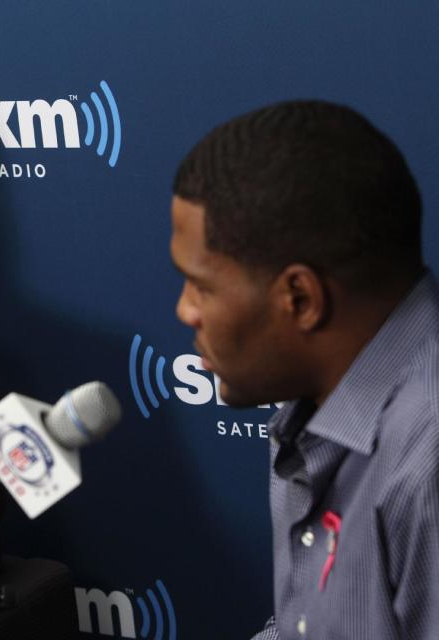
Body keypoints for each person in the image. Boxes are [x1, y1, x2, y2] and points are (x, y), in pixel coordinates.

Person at [169, 100, 438, 639]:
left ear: (300, 297)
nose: (184, 310)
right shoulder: (311, 407)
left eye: (202, 285)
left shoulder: (426, 459)